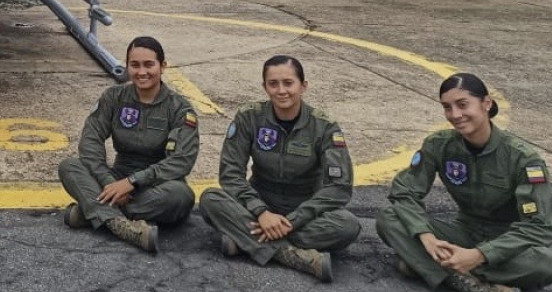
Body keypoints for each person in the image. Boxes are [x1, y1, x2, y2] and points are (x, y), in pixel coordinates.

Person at [376, 73, 552, 292]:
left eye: (463, 105)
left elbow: (541, 226)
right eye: (447, 107)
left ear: (486, 103)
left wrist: (479, 255)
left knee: (545, 264)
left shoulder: (522, 158)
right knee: (389, 217)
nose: (455, 115)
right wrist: (426, 237)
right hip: (463, 232)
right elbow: (404, 192)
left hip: (505, 241)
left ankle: (428, 267)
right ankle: (466, 281)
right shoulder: (439, 145)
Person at [198, 55, 359, 282]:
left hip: (304, 208)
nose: (281, 91)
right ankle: (290, 255)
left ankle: (246, 241)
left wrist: (293, 220)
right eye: (273, 84)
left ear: (303, 86)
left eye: (288, 83)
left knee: (348, 225)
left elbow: (339, 188)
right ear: (265, 87)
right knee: (210, 199)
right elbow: (231, 173)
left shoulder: (324, 126)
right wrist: (261, 212)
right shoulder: (249, 117)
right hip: (258, 203)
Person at [57, 35, 199, 253]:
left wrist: (133, 182)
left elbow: (181, 161)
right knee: (69, 166)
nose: (142, 72)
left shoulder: (180, 108)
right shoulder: (114, 96)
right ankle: (122, 226)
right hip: (115, 177)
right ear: (127, 66)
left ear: (163, 66)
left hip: (157, 184)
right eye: (135, 65)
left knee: (181, 197)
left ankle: (92, 211)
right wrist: (109, 182)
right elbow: (90, 142)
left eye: (149, 65)